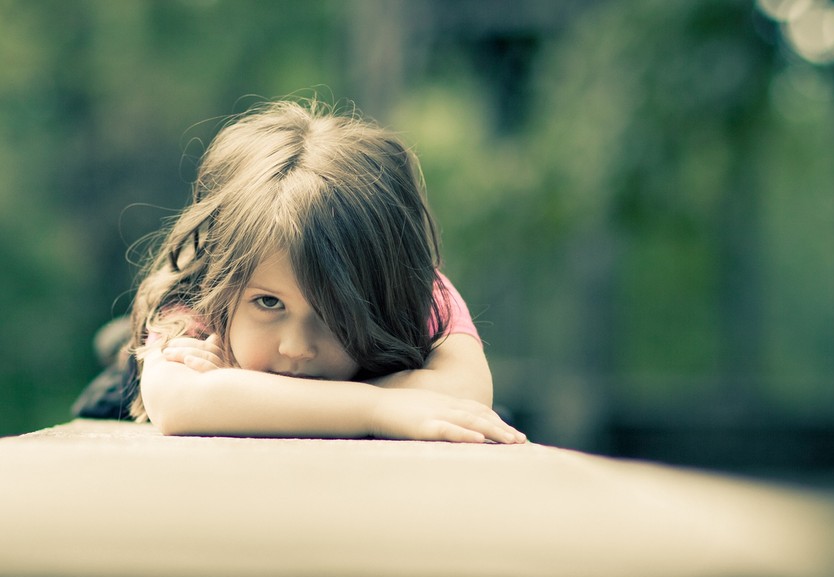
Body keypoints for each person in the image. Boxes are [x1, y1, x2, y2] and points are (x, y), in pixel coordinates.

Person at [73, 99, 524, 445]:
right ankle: (120, 345)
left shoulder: (413, 288)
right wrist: (380, 408)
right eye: (268, 302)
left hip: (359, 364)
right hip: (142, 373)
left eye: (333, 313)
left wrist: (237, 386)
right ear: (225, 289)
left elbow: (463, 394)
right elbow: (178, 402)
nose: (296, 347)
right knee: (126, 370)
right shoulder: (203, 288)